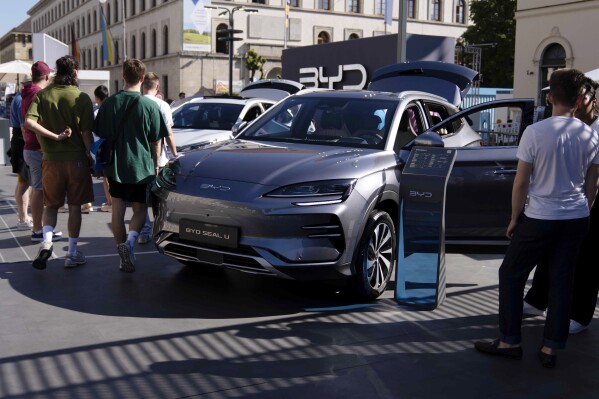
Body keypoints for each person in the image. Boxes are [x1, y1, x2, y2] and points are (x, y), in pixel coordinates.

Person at [474, 69, 599, 368]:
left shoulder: (535, 132)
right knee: (562, 280)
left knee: (511, 273)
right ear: (580, 100)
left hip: (542, 216)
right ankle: (550, 349)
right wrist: (583, 210)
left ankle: (509, 341)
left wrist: (515, 218)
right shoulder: (590, 135)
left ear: (550, 97)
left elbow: (521, 182)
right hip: (577, 217)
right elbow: (593, 183)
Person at [523, 77, 599, 334]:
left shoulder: (594, 130)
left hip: (586, 206)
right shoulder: (570, 126)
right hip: (565, 206)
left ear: (592, 102)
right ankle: (537, 300)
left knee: (587, 261)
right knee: (549, 253)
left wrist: (587, 208)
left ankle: (580, 315)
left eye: (584, 98)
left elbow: (594, 178)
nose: (578, 103)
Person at [94, 59, 169, 272]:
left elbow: (100, 132)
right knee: (139, 210)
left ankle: (122, 252)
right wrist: (155, 166)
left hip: (115, 165)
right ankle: (130, 243)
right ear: (142, 79)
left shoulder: (109, 103)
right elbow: (157, 141)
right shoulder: (150, 106)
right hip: (142, 167)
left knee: (117, 210)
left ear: (123, 77)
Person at [25, 55, 95, 270]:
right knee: (75, 206)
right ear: (75, 73)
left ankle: (46, 242)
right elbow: (86, 134)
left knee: (51, 205)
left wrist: (53, 137)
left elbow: (29, 121)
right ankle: (72, 253)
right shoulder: (81, 98)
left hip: (50, 160)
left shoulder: (44, 95)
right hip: (76, 160)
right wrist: (90, 153)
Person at [21, 61, 63, 243]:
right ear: (46, 77)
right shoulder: (38, 95)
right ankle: (38, 230)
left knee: (38, 189)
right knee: (39, 189)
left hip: (30, 147)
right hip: (37, 149)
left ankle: (41, 228)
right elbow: (35, 124)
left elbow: (25, 126)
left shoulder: (26, 94)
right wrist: (54, 137)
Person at [138, 72, 179, 244]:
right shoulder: (162, 105)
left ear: (142, 85)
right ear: (158, 87)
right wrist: (175, 155)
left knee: (140, 199)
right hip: (158, 160)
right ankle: (159, 230)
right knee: (160, 198)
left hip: (138, 159)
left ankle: (144, 231)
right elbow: (167, 134)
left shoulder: (135, 103)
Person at [9, 82, 31, 230]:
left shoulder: (19, 98)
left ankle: (22, 216)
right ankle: (23, 219)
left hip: (19, 142)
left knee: (22, 182)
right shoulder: (21, 100)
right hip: (21, 142)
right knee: (24, 182)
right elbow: (24, 127)